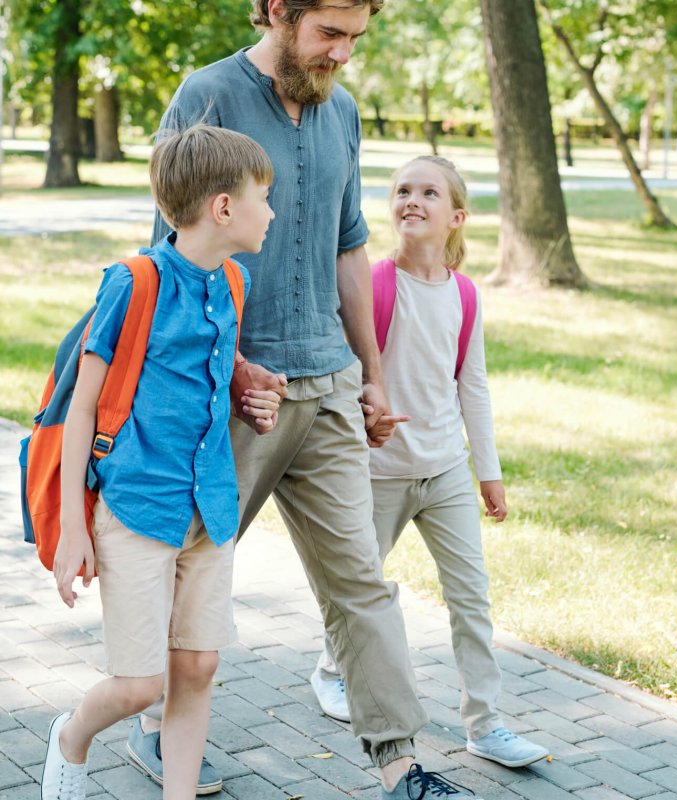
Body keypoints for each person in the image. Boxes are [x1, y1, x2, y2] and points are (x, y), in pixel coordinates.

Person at [129, 2, 484, 798]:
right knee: (189, 565)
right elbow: (170, 252)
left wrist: (372, 373)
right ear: (279, 13)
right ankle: (156, 729)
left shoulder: (343, 110)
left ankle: (402, 764)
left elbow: (348, 245)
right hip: (233, 392)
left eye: (356, 38)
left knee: (360, 579)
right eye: (330, 34)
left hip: (325, 381)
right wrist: (235, 362)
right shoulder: (207, 95)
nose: (343, 55)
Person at [41, 124, 281, 800]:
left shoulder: (233, 280)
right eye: (264, 196)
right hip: (140, 505)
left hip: (210, 505)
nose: (272, 211)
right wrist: (73, 531)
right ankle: (72, 736)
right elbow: (81, 407)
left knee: (199, 664)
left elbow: (206, 377)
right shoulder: (133, 281)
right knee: (140, 683)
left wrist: (247, 396)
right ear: (224, 208)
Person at [311, 155, 550, 769]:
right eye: (402, 190)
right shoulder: (375, 284)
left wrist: (486, 472)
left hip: (443, 471)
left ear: (456, 216)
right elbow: (351, 374)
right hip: (379, 472)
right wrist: (367, 419)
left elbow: (473, 387)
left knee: (471, 597)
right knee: (360, 590)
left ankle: (486, 723)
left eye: (428, 192)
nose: (411, 199)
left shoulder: (466, 295)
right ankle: (329, 669)